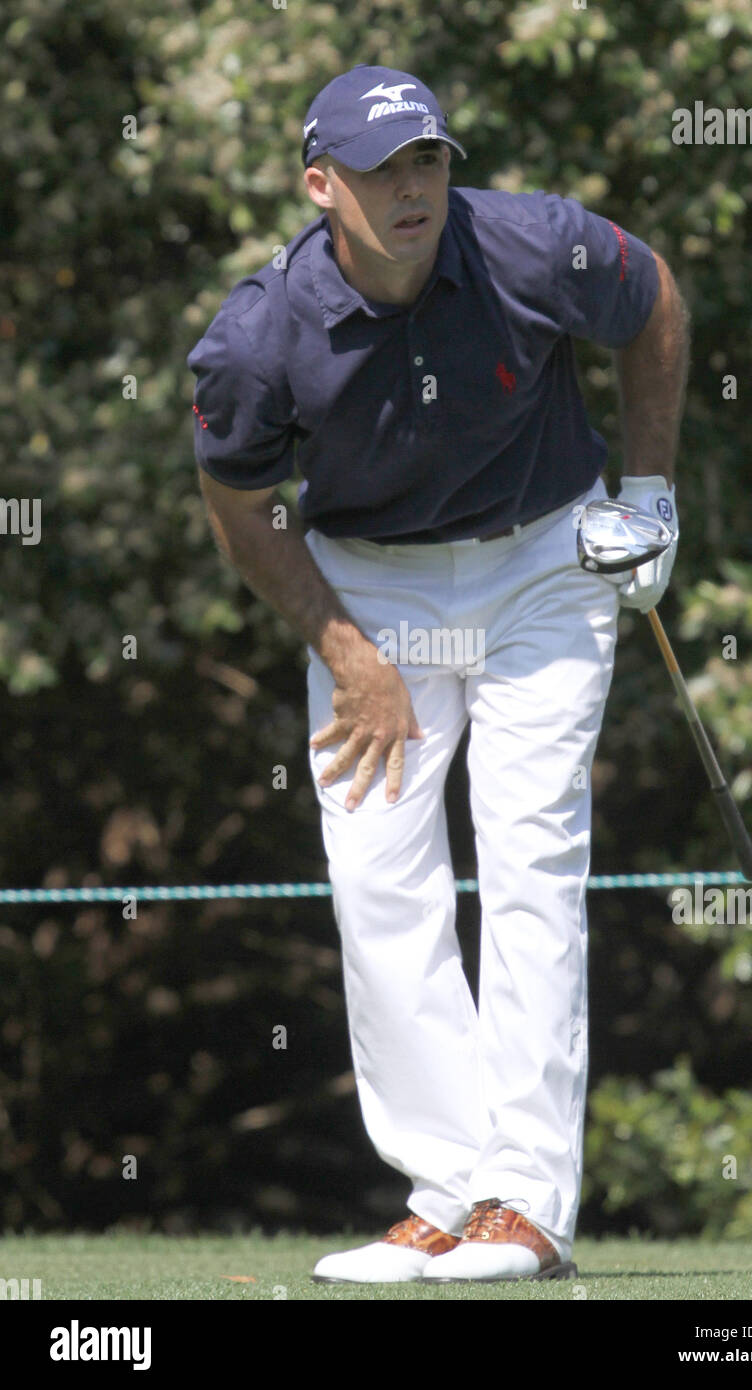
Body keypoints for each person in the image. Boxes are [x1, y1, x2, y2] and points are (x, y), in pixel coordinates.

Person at [187, 63, 689, 1284]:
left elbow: (654, 303)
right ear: (322, 186)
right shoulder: (260, 336)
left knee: (528, 853)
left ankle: (522, 1206)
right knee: (377, 874)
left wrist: (651, 495)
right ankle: (444, 1189)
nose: (411, 190)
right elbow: (238, 503)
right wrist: (345, 652)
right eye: (377, 171)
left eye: (427, 163)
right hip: (374, 588)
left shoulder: (535, 245)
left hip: (541, 567)